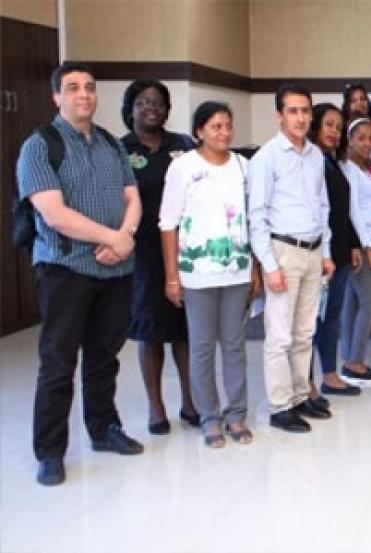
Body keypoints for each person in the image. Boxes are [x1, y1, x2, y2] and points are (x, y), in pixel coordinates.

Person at [18, 63, 145, 486]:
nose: (83, 95)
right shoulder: (39, 146)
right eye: (72, 89)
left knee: (104, 356)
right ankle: (50, 451)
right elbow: (53, 214)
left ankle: (104, 428)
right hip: (66, 269)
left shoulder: (111, 143)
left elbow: (133, 197)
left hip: (116, 269)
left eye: (89, 88)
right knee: (58, 362)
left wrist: (124, 238)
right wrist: (113, 236)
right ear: (56, 97)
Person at [159, 101, 257, 448]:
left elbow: (252, 219)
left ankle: (236, 415)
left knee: (234, 345)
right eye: (216, 126)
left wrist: (255, 269)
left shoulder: (244, 166)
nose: (224, 133)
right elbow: (167, 223)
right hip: (197, 273)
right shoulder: (183, 167)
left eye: (228, 126)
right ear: (199, 130)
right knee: (201, 347)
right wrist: (172, 277)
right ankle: (209, 418)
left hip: (236, 271)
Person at [248, 84, 335, 433]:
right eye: (293, 111)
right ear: (279, 115)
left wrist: (327, 252)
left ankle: (301, 395)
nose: (300, 118)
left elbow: (322, 205)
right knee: (280, 335)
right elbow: (257, 216)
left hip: (314, 250)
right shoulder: (266, 158)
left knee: (304, 332)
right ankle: (280, 405)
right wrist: (269, 266)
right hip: (283, 252)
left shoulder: (315, 155)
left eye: (305, 111)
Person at [118, 79, 198, 434]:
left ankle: (191, 402)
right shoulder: (120, 150)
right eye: (143, 102)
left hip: (185, 247)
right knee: (150, 332)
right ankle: (156, 408)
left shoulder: (182, 145)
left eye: (158, 102)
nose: (151, 108)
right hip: (144, 254)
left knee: (186, 331)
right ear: (131, 108)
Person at [308, 104, 371, 396]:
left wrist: (350, 245)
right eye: (329, 125)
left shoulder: (332, 162)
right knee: (313, 321)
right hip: (318, 251)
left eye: (338, 127)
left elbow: (341, 210)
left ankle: (330, 374)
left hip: (338, 251)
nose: (334, 132)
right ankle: (309, 382)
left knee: (332, 315)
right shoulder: (313, 163)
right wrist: (361, 244)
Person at [339, 117, 371, 382]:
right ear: (350, 140)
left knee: (353, 302)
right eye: (361, 138)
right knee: (369, 302)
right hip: (362, 243)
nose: (368, 143)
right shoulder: (349, 168)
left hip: (365, 239)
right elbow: (353, 210)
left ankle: (349, 357)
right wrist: (367, 246)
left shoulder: (364, 169)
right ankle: (355, 363)